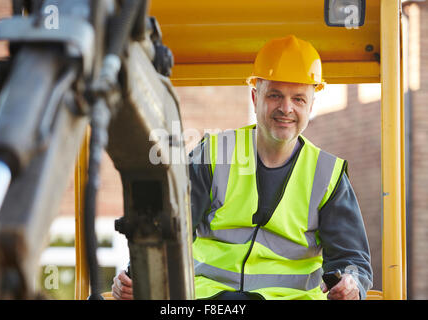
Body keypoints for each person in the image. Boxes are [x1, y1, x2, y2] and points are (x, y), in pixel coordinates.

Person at [112, 35, 373, 300]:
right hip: (211, 298)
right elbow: (169, 224)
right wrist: (139, 278)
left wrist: (351, 284)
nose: (286, 108)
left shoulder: (327, 174)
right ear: (254, 96)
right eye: (275, 95)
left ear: (311, 105)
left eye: (298, 99)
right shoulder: (214, 154)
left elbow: (352, 260)